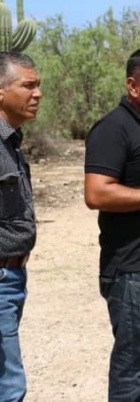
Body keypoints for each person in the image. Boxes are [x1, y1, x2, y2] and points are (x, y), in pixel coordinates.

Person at [84, 48, 140, 401]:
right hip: (132, 272)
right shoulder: (113, 128)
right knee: (135, 371)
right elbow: (97, 193)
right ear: (132, 86)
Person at [0, 51, 41, 402]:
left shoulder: (11, 140)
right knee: (9, 387)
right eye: (28, 85)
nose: (37, 93)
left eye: (38, 85)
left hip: (12, 277)